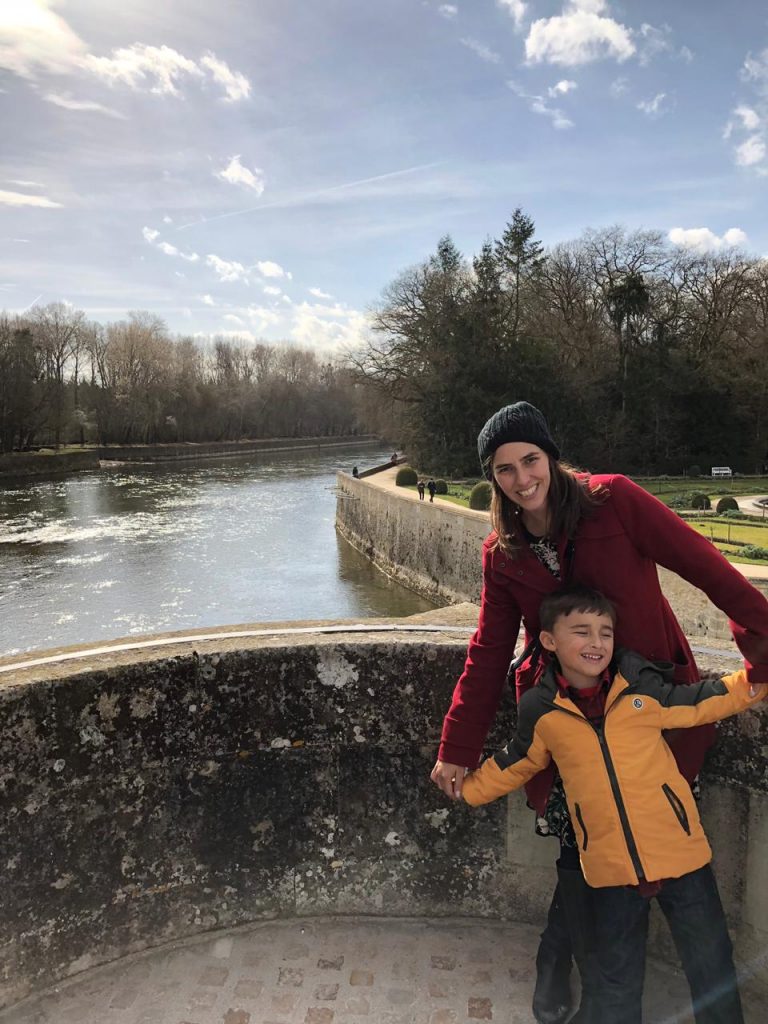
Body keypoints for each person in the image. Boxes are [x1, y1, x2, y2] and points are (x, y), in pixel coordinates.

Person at [430, 401, 768, 1024]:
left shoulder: (615, 501)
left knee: (650, 831)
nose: (521, 478)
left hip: (650, 707)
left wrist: (763, 637)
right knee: (579, 855)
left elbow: (703, 563)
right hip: (567, 720)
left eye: (530, 459)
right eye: (504, 469)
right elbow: (487, 649)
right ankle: (557, 965)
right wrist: (457, 744)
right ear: (492, 478)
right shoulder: (501, 552)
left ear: (552, 457)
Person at [462, 585, 765, 1024]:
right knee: (615, 984)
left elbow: (706, 701)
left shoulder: (643, 691)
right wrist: (465, 788)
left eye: (605, 632)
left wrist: (757, 680)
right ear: (549, 641)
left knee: (712, 965)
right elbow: (514, 763)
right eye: (581, 631)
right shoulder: (542, 710)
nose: (597, 642)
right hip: (609, 870)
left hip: (681, 856)